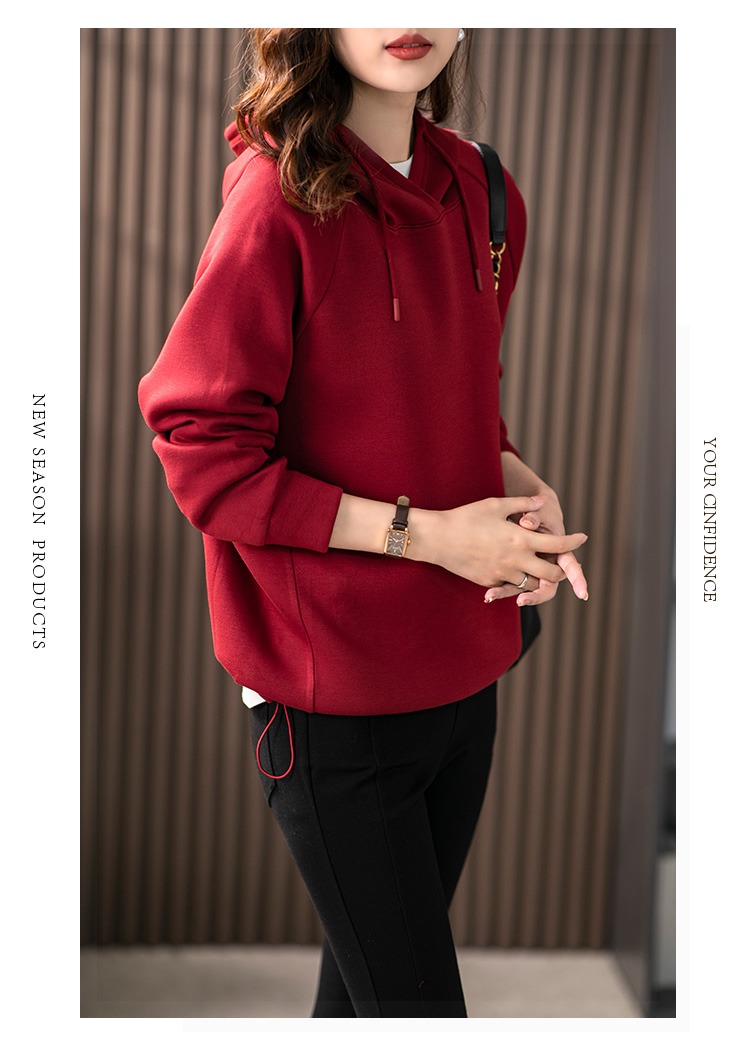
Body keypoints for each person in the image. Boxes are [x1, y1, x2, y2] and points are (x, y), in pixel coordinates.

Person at [138, 27, 589, 1018]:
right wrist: (433, 536)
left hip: (464, 679)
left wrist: (522, 484)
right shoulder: (276, 201)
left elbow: (460, 402)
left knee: (360, 1011)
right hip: (333, 704)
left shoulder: (486, 190)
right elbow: (203, 448)